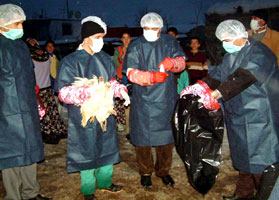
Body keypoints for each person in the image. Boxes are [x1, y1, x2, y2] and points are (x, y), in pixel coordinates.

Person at [193, 19, 279, 200]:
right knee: (244, 158)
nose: (225, 44)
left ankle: (266, 195)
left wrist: (216, 94)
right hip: (239, 114)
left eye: (227, 40)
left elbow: (243, 76)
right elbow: (219, 74)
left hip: (259, 116)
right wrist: (201, 85)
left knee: (260, 161)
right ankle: (243, 194)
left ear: (240, 36)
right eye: (222, 40)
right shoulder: (231, 55)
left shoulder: (260, 53)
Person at [55, 16, 130, 200]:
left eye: (102, 36)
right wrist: (84, 92)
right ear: (86, 38)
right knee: (86, 150)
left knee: (107, 148)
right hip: (84, 116)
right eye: (98, 36)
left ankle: (105, 182)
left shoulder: (104, 59)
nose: (101, 41)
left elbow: (111, 81)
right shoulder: (70, 62)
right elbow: (63, 92)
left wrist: (120, 89)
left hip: (104, 114)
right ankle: (88, 190)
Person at [123, 12, 186, 188]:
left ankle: (163, 171)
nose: (150, 31)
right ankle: (145, 172)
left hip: (166, 99)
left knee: (166, 140)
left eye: (153, 29)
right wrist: (150, 76)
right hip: (143, 100)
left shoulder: (169, 41)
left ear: (160, 29)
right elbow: (130, 72)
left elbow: (182, 62)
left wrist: (172, 64)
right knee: (143, 141)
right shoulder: (136, 45)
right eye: (146, 29)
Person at [0, 4, 51, 200]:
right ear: (2, 23)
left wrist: (37, 99)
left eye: (21, 23)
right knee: (11, 154)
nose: (20, 27)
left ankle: (31, 192)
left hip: (27, 106)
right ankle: (13, 196)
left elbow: (29, 76)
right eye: (16, 23)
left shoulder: (21, 45)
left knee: (30, 149)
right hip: (6, 110)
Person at [26, 37, 67, 144]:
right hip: (48, 88)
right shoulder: (46, 55)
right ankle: (57, 130)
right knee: (52, 112)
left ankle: (47, 133)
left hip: (37, 90)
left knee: (42, 114)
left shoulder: (29, 57)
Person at [113, 30, 132, 132]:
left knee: (131, 100)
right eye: (124, 38)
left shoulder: (134, 49)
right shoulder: (118, 49)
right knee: (120, 101)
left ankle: (131, 122)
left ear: (130, 39)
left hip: (132, 78)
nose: (126, 40)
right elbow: (116, 62)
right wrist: (124, 55)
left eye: (127, 37)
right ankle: (120, 122)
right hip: (120, 77)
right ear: (121, 39)